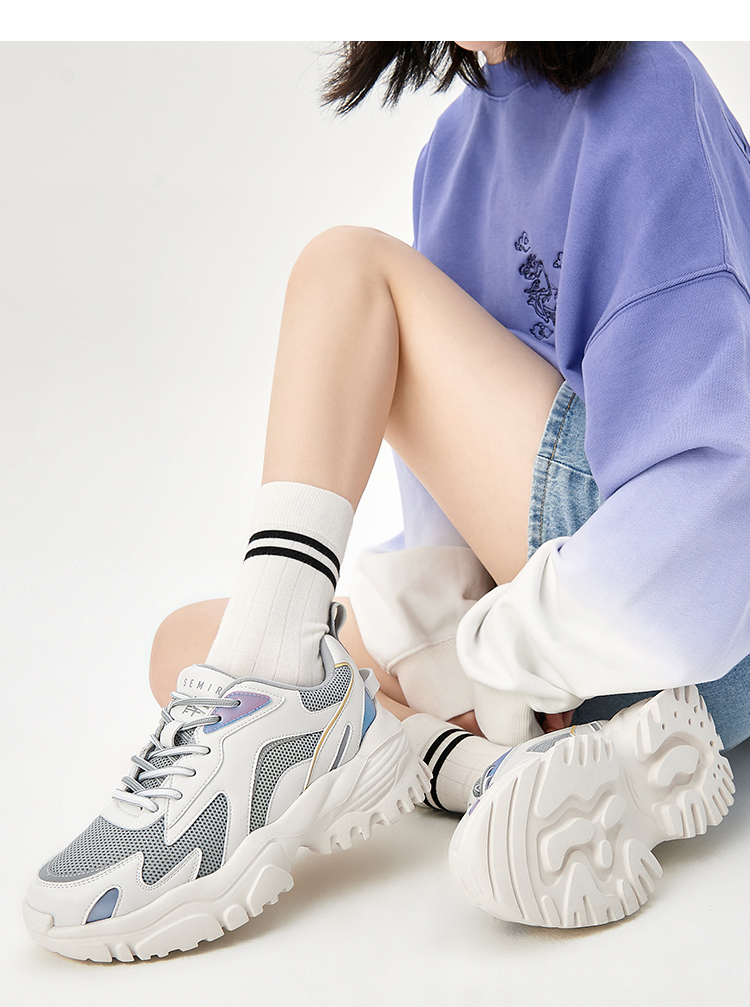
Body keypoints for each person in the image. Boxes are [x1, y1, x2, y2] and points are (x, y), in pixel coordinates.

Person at [24, 41, 748, 959]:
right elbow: (456, 481)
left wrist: (500, 656)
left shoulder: (652, 87)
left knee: (347, 269)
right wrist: (451, 651)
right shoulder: (454, 147)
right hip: (567, 668)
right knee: (188, 642)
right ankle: (497, 773)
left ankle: (291, 707)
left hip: (681, 612)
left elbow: (720, 495)